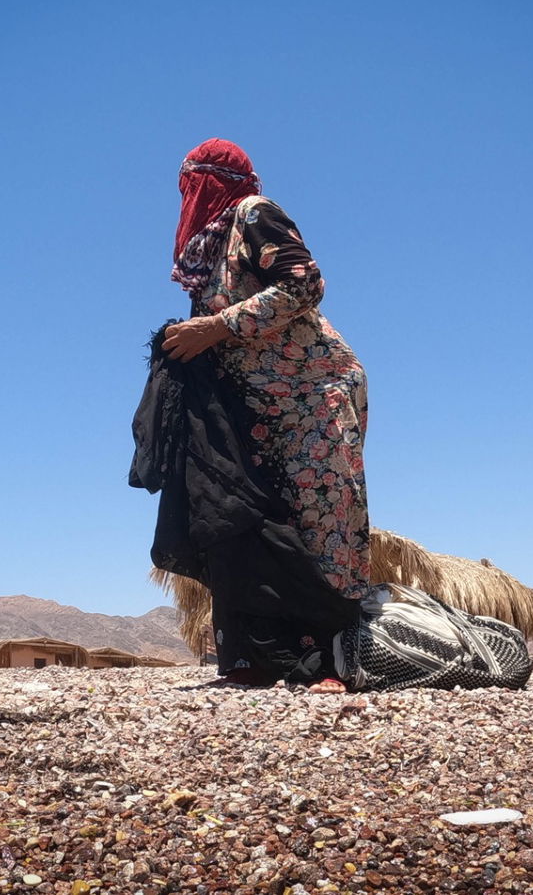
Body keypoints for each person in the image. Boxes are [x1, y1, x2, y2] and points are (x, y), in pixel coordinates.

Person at [160, 138, 369, 691]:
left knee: (325, 517)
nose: (190, 196)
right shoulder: (207, 256)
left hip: (313, 393)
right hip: (256, 409)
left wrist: (219, 326)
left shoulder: (255, 213)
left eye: (197, 182)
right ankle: (264, 657)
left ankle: (339, 661)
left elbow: (306, 283)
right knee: (256, 521)